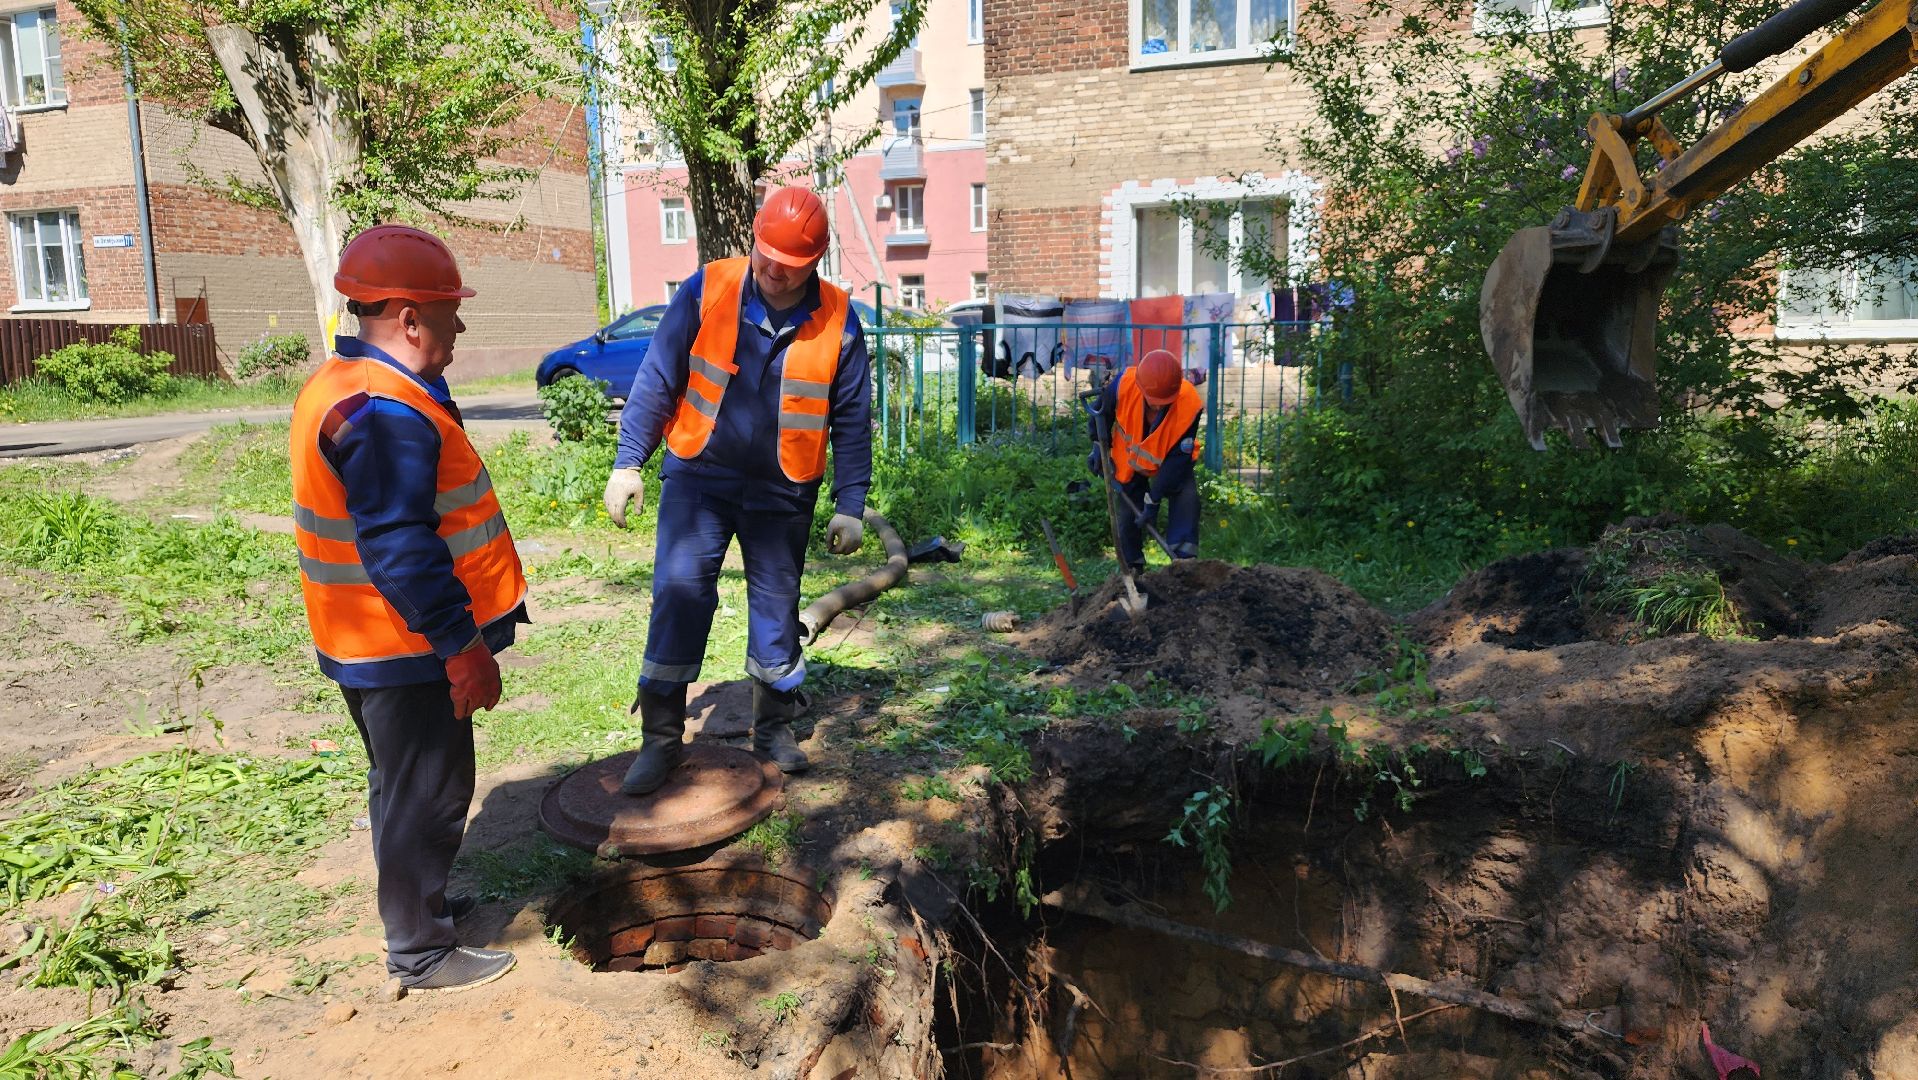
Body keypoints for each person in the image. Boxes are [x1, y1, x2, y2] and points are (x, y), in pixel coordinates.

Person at [289, 225, 529, 994]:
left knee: (399, 788)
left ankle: (419, 911)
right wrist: (462, 647)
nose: (461, 327)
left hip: (363, 637)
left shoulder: (343, 382)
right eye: (451, 312)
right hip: (407, 646)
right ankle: (421, 951)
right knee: (429, 791)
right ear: (410, 318)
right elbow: (401, 546)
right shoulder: (385, 411)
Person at [602, 186, 872, 796]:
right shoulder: (709, 288)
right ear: (754, 237)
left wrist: (850, 504)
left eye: (792, 264)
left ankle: (773, 729)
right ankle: (661, 740)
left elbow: (854, 419)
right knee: (678, 595)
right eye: (767, 255)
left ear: (816, 261)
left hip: (784, 489)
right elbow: (659, 375)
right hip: (698, 477)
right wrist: (628, 462)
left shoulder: (839, 318)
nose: (775, 270)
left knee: (776, 608)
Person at [1087, 348, 1204, 574]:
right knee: (1127, 516)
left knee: (1187, 499)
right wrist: (1097, 447)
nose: (1158, 406)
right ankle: (1133, 568)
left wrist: (1154, 499)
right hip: (1129, 460)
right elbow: (1101, 413)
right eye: (1154, 402)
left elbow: (1177, 461)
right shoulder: (1123, 384)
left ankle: (1184, 565)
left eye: (1164, 402)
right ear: (1141, 388)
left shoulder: (1189, 403)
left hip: (1170, 463)